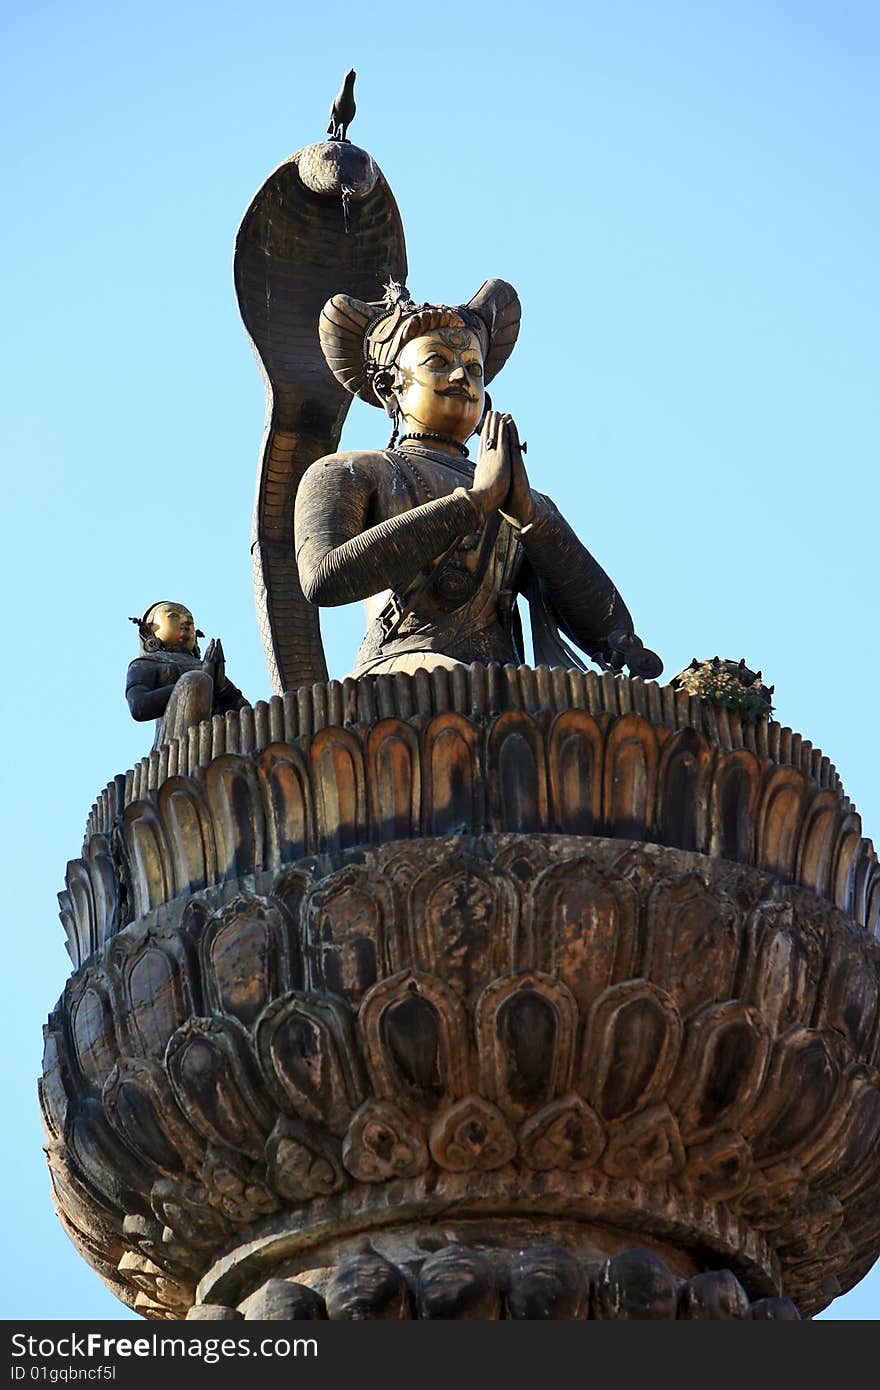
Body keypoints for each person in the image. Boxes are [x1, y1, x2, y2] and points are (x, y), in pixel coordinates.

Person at [294, 281, 662, 680]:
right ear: (390, 387)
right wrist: (474, 503)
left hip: (507, 683)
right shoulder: (354, 470)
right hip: (406, 676)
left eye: (473, 367)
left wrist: (531, 519)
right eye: (437, 362)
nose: (460, 376)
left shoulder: (517, 496)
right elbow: (323, 576)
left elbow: (613, 634)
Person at [125, 601, 248, 748]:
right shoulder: (145, 664)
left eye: (190, 621)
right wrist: (191, 684)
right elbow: (139, 706)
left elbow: (246, 713)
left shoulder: (206, 666)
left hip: (220, 741)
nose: (186, 622)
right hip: (176, 745)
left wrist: (222, 688)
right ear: (150, 629)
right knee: (197, 679)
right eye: (174, 616)